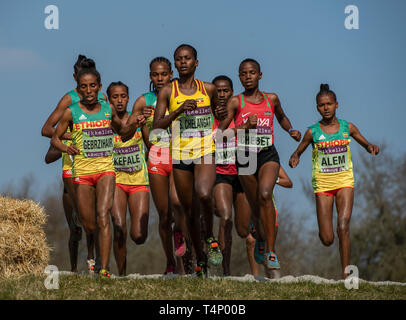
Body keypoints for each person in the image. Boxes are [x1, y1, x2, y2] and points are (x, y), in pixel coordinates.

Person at [51, 66, 145, 278]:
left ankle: (105, 269)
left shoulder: (107, 109)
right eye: (83, 87)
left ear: (99, 87)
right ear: (79, 89)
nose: (89, 90)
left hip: (106, 171)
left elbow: (122, 133)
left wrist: (135, 124)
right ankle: (92, 247)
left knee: (104, 216)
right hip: (82, 174)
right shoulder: (71, 112)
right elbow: (54, 138)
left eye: (93, 85)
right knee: (90, 225)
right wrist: (67, 147)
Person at [289, 83, 379, 279]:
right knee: (328, 238)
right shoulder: (312, 132)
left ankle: (346, 275)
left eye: (329, 104)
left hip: (344, 180)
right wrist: (295, 157)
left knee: (343, 226)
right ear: (317, 108)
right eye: (322, 105)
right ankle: (330, 241)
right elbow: (299, 151)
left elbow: (365, 143)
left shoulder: (348, 127)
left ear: (337, 104)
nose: (326, 108)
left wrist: (371, 147)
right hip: (323, 184)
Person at [218, 58, 301, 271]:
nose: (248, 77)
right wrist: (243, 126)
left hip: (267, 154)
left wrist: (290, 130)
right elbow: (221, 135)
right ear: (239, 77)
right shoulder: (236, 102)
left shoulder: (271, 99)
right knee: (255, 205)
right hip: (245, 156)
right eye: (243, 73)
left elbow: (282, 117)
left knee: (265, 195)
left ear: (260, 75)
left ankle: (271, 251)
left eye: (252, 72)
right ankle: (261, 241)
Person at [153, 44, 227, 277]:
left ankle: (211, 238)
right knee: (190, 212)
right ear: (175, 64)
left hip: (205, 151)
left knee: (204, 193)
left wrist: (221, 115)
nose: (183, 62)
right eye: (179, 59)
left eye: (187, 58)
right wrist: (178, 111)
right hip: (181, 155)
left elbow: (218, 113)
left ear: (196, 62)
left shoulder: (208, 88)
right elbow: (157, 125)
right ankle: (200, 258)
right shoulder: (167, 91)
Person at [41, 55, 106, 273]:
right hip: (73, 163)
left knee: (100, 216)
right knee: (82, 218)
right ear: (75, 77)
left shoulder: (103, 98)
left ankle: (95, 261)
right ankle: (74, 266)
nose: (86, 84)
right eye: (79, 76)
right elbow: (47, 129)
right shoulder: (69, 100)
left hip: (99, 162)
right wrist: (73, 135)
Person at [131, 57, 189, 275]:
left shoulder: (180, 94)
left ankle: (180, 233)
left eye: (164, 74)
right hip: (156, 156)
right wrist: (139, 120)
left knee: (177, 202)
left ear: (171, 73)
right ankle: (170, 262)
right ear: (150, 76)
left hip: (179, 154)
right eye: (155, 74)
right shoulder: (143, 101)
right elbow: (129, 131)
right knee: (164, 215)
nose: (160, 78)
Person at [107, 81, 150, 276]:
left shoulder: (139, 119)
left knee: (138, 236)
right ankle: (121, 274)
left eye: (123, 96)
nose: (119, 100)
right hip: (116, 182)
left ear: (128, 98)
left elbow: (151, 145)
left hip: (139, 180)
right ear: (108, 99)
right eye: (114, 97)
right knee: (118, 227)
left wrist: (145, 125)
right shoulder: (106, 122)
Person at [211, 75, 252, 276]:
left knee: (243, 230)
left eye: (226, 90)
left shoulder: (242, 116)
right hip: (219, 173)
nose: (221, 94)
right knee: (225, 218)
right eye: (217, 91)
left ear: (232, 92)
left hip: (241, 172)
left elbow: (251, 148)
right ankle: (224, 271)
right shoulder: (208, 117)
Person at [245, 166, 292, 277]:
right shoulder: (246, 159)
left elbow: (289, 183)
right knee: (250, 240)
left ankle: (271, 276)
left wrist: (271, 178)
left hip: (268, 208)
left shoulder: (271, 162)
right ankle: (255, 276)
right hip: (250, 206)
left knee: (268, 245)